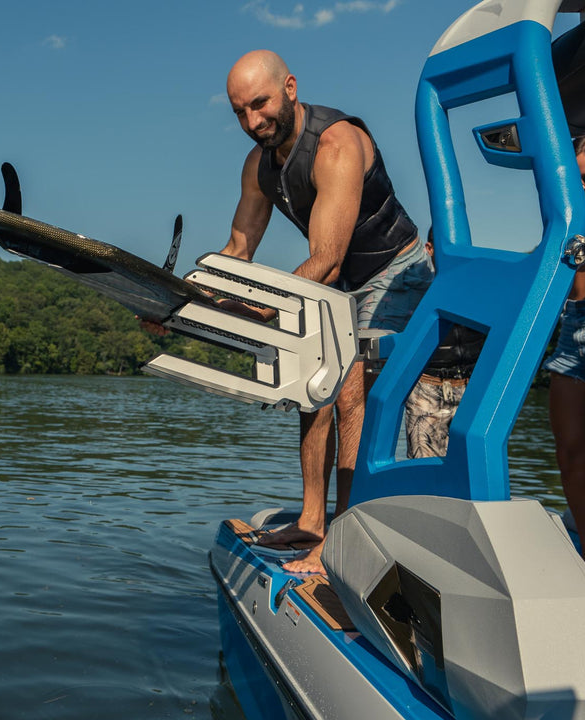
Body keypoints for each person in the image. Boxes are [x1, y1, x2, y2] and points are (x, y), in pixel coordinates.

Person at [145, 50, 433, 574]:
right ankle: (311, 521)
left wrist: (257, 304)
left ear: (291, 89)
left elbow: (324, 262)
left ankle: (342, 543)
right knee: (310, 382)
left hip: (396, 272)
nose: (253, 122)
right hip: (341, 277)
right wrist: (179, 300)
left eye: (261, 104)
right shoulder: (259, 166)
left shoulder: (336, 145)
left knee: (346, 386)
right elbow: (236, 252)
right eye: (239, 112)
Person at [403, 230, 485, 458]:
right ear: (429, 249)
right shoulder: (415, 289)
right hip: (426, 389)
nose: (452, 254)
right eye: (444, 247)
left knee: (469, 472)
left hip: (470, 387)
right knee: (423, 472)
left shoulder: (482, 292)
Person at [544, 135, 585, 559]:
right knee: (569, 446)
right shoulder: (568, 209)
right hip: (573, 322)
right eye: (578, 177)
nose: (582, 185)